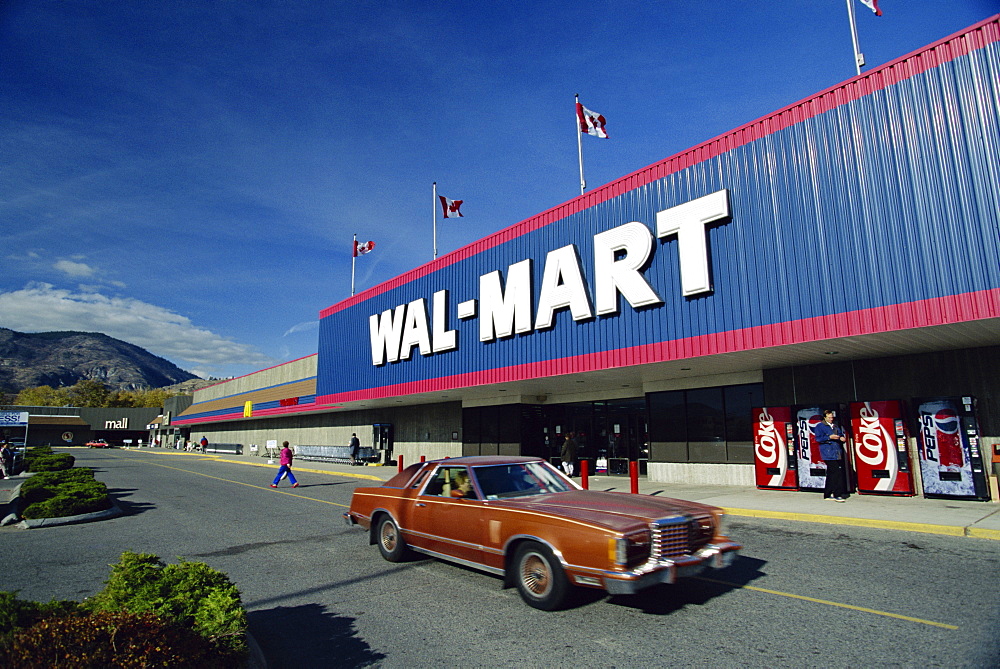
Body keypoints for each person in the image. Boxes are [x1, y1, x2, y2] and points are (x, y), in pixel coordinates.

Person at [815, 409, 849, 502]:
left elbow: (840, 434)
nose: (831, 419)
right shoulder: (820, 426)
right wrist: (829, 437)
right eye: (829, 417)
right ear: (825, 417)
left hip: (836, 452)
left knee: (831, 474)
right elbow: (818, 439)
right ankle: (837, 494)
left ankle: (827, 494)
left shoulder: (835, 426)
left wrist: (841, 437)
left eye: (832, 417)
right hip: (827, 452)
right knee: (837, 473)